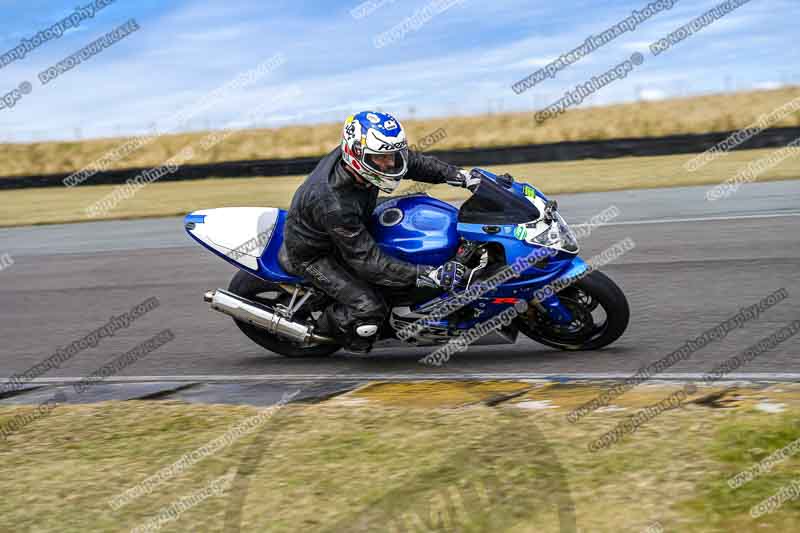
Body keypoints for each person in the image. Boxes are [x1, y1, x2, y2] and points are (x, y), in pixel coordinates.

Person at [279, 111, 480, 353]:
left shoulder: (363, 160)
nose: (390, 164)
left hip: (353, 221)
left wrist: (460, 177)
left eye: (392, 156)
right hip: (314, 254)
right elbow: (368, 263)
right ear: (356, 155)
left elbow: (413, 163)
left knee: (415, 204)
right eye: (381, 158)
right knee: (370, 308)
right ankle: (326, 333)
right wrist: (431, 275)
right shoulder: (334, 202)